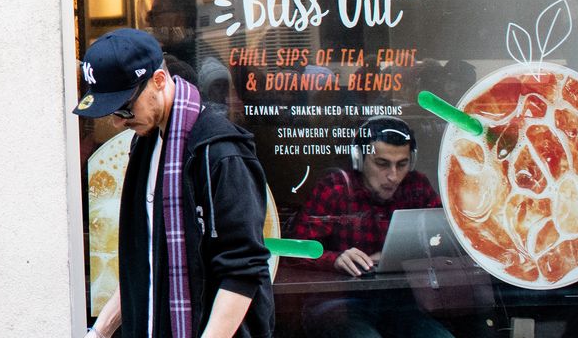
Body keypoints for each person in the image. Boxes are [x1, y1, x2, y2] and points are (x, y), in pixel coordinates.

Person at [76, 28, 272, 338]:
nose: (118, 122)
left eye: (125, 107)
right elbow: (144, 267)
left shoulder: (221, 152)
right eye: (112, 112)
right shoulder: (146, 145)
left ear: (158, 80)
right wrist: (99, 332)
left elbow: (242, 272)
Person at [286, 117, 453, 338]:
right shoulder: (336, 187)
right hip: (337, 303)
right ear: (359, 158)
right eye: (382, 164)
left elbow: (449, 233)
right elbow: (294, 249)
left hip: (399, 303)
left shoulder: (416, 186)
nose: (393, 176)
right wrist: (334, 259)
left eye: (402, 164)